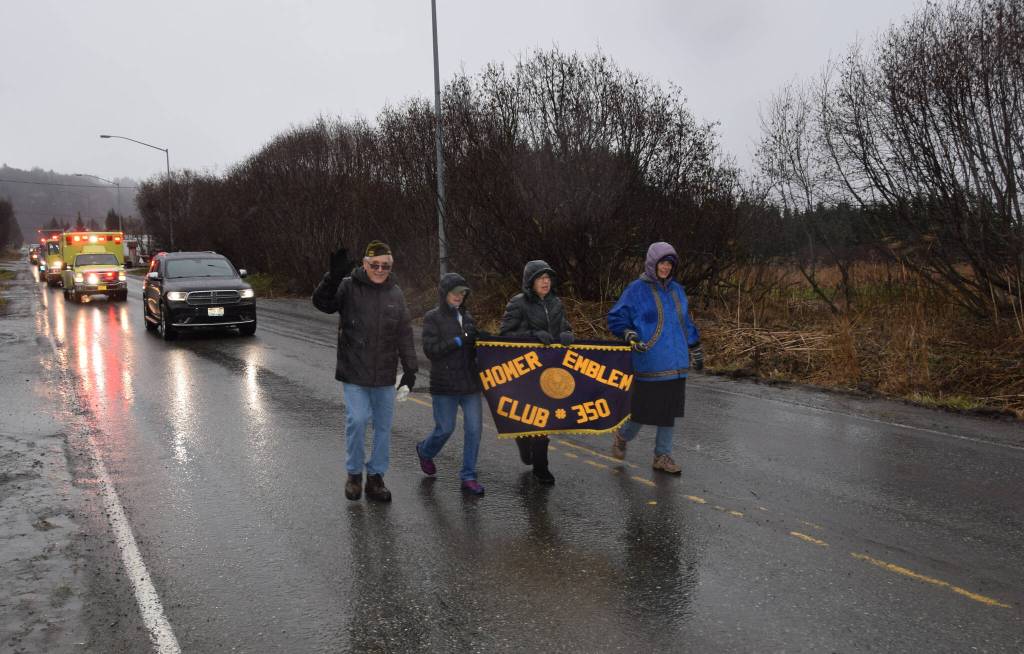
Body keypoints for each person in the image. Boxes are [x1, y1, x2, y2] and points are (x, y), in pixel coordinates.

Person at [312, 240, 418, 502]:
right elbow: (322, 303)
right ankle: (354, 475)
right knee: (358, 421)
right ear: (365, 264)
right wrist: (332, 277)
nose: (380, 270)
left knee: (383, 427)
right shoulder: (348, 287)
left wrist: (410, 370)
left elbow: (404, 333)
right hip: (354, 372)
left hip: (384, 374)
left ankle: (376, 478)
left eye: (385, 266)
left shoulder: (396, 293)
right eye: (375, 265)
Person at [607, 242, 703, 474]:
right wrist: (628, 332)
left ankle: (662, 456)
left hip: (677, 361)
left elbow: (685, 322)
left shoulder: (677, 290)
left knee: (668, 411)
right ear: (652, 263)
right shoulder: (636, 290)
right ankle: (622, 435)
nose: (666, 267)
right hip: (650, 359)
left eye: (669, 263)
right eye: (662, 262)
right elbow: (616, 317)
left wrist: (695, 347)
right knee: (644, 410)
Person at [499, 260, 574, 484]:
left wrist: (568, 334)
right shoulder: (518, 303)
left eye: (548, 277)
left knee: (544, 418)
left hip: (549, 371)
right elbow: (504, 336)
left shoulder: (556, 303)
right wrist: (532, 335)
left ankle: (540, 466)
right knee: (531, 416)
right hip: (525, 369)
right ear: (530, 282)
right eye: (541, 278)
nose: (545, 281)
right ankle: (525, 442)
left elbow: (564, 327)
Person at [416, 272, 486, 495]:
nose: (459, 296)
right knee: (445, 428)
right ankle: (425, 451)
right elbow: (431, 351)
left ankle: (468, 477)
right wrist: (458, 341)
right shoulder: (432, 318)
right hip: (444, 384)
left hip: (469, 384)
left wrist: (482, 342)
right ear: (444, 293)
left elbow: (474, 349)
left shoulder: (468, 318)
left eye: (463, 293)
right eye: (455, 292)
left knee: (474, 430)